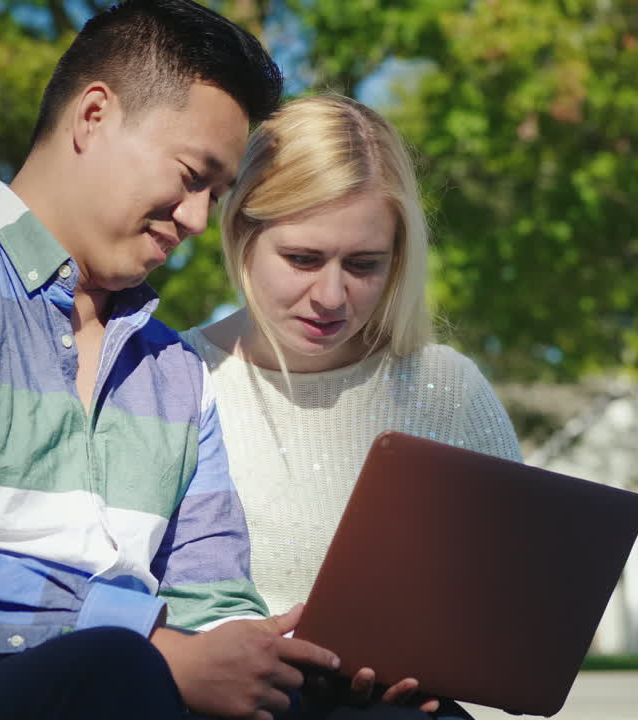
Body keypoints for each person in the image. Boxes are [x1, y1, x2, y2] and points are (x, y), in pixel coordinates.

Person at [0, 3, 345, 719]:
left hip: (119, 687)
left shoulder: (176, 370)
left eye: (218, 196)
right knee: (113, 668)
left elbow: (211, 604)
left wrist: (299, 666)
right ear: (95, 115)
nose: (199, 219)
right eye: (193, 176)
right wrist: (156, 645)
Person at [180, 94, 523, 710]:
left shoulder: (446, 390)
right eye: (303, 259)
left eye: (364, 264)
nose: (332, 295)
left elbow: (511, 608)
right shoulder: (174, 378)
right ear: (242, 234)